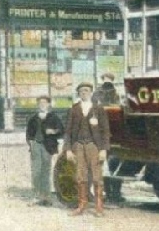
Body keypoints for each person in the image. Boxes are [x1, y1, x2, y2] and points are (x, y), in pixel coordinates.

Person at [65, 82, 111, 217]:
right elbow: (68, 131)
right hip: (78, 146)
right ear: (78, 93)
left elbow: (106, 131)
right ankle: (81, 205)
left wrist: (103, 149)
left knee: (97, 177)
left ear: (91, 93)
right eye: (81, 91)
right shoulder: (74, 109)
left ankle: (99, 207)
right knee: (80, 176)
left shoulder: (98, 109)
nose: (84, 93)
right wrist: (68, 149)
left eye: (86, 90)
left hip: (93, 146)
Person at [25, 96, 64, 207]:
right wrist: (31, 143)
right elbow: (28, 133)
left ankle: (46, 197)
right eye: (40, 103)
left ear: (48, 104)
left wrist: (53, 131)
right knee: (36, 171)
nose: (42, 104)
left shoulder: (54, 117)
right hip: (36, 145)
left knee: (46, 171)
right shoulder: (33, 118)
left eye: (44, 102)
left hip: (48, 146)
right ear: (37, 105)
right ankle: (36, 196)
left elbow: (61, 130)